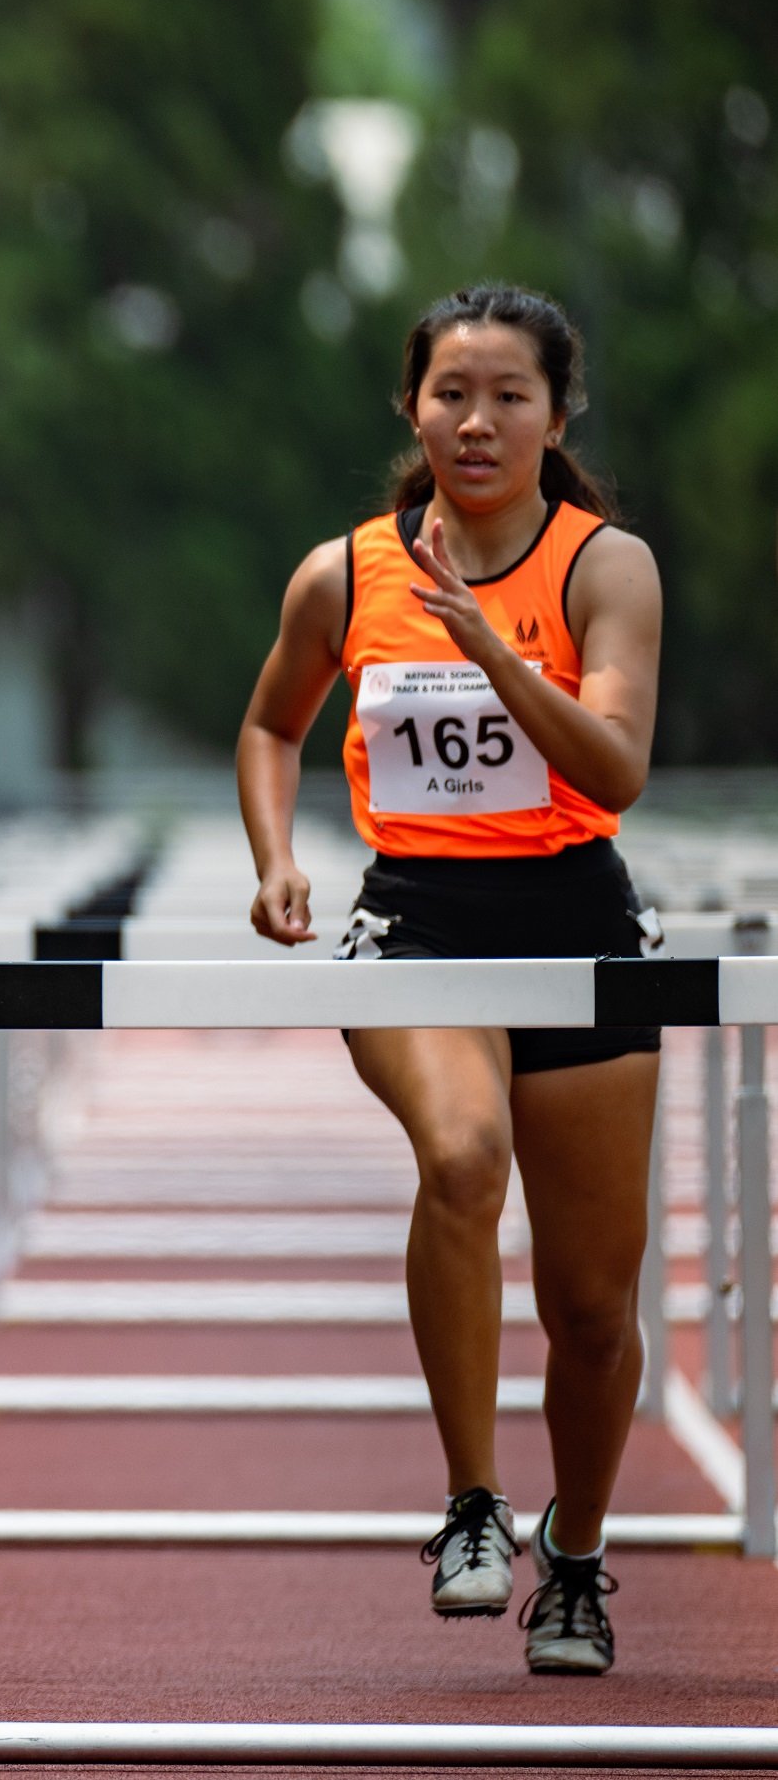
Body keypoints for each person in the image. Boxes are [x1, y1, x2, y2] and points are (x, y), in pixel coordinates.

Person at [238, 284, 663, 1676]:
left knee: (593, 1307)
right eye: (450, 394)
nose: (476, 422)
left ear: (556, 412)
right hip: (416, 922)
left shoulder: (605, 568)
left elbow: (613, 772)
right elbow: (266, 721)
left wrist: (492, 650)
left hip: (578, 923)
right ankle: (473, 1503)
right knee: (464, 1157)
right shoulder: (344, 575)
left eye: (508, 397)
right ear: (410, 408)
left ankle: (580, 1557)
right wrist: (275, 855)